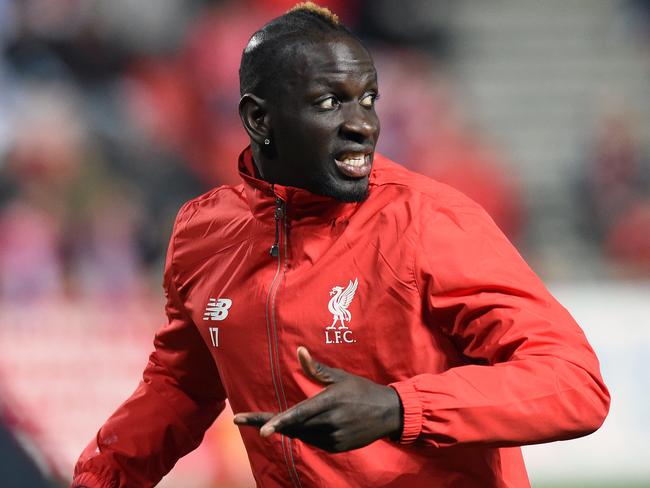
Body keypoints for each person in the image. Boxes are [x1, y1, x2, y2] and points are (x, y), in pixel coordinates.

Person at [71, 3, 610, 487]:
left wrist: (400, 408)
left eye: (368, 99)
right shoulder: (202, 233)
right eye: (330, 102)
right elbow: (180, 388)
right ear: (259, 120)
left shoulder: (429, 222)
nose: (363, 126)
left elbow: (574, 383)